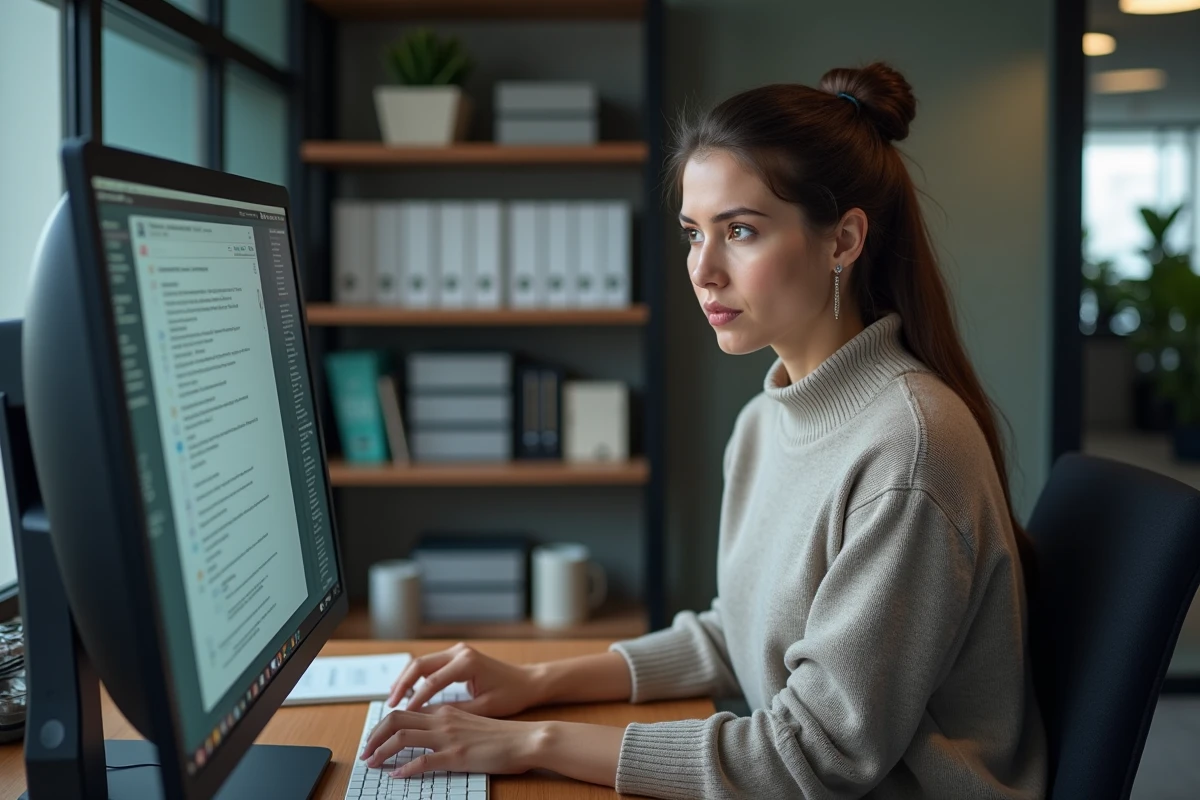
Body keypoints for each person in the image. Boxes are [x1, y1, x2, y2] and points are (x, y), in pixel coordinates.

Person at [359, 62, 1048, 799]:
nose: (703, 270)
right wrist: (535, 682)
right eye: (693, 234)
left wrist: (532, 742)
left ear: (843, 240)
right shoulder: (765, 421)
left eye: (741, 232)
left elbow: (815, 755)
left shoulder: (910, 450)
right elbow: (737, 633)